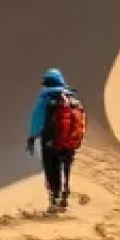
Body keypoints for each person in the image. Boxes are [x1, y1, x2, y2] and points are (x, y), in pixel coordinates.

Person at [26, 68, 85, 212]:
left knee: (52, 169)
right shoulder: (73, 101)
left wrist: (32, 137)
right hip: (70, 142)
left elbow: (36, 119)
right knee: (66, 167)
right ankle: (65, 194)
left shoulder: (47, 100)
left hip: (50, 141)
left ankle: (54, 199)